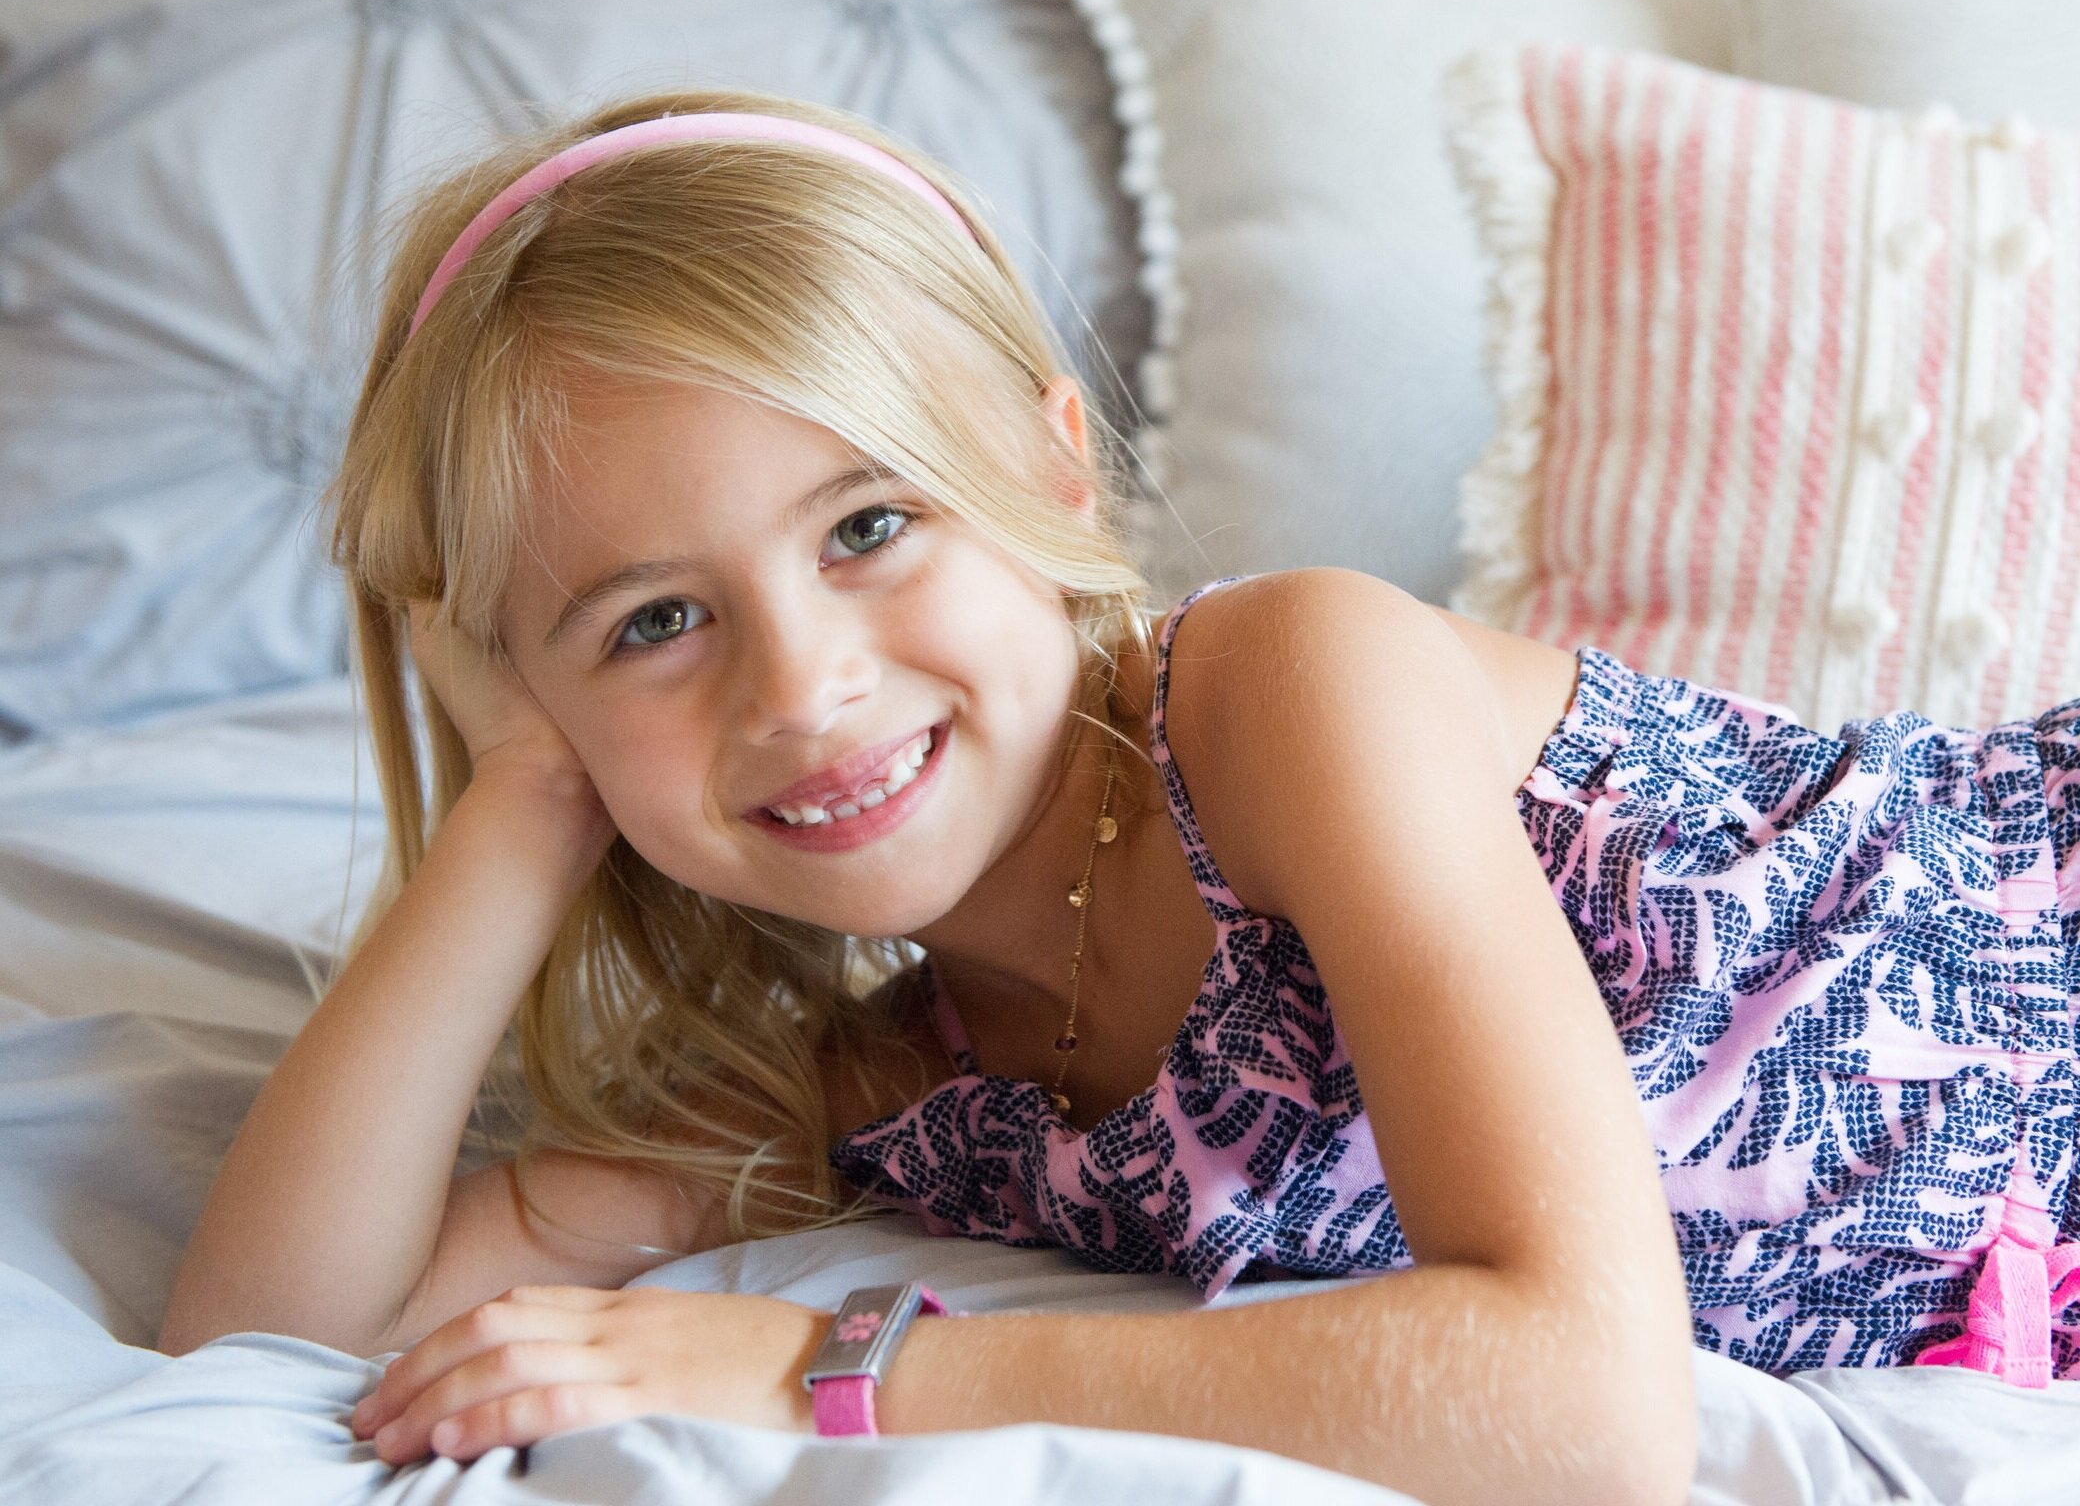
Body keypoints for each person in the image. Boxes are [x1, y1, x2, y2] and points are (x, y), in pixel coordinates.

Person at [155, 89, 2077, 1505]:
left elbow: (1588, 1409)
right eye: (653, 621)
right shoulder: (899, 1088)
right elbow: (262, 1337)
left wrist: (833, 1366)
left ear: (1054, 473)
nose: (802, 686)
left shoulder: (1292, 695)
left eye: (870, 524)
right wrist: (519, 801)